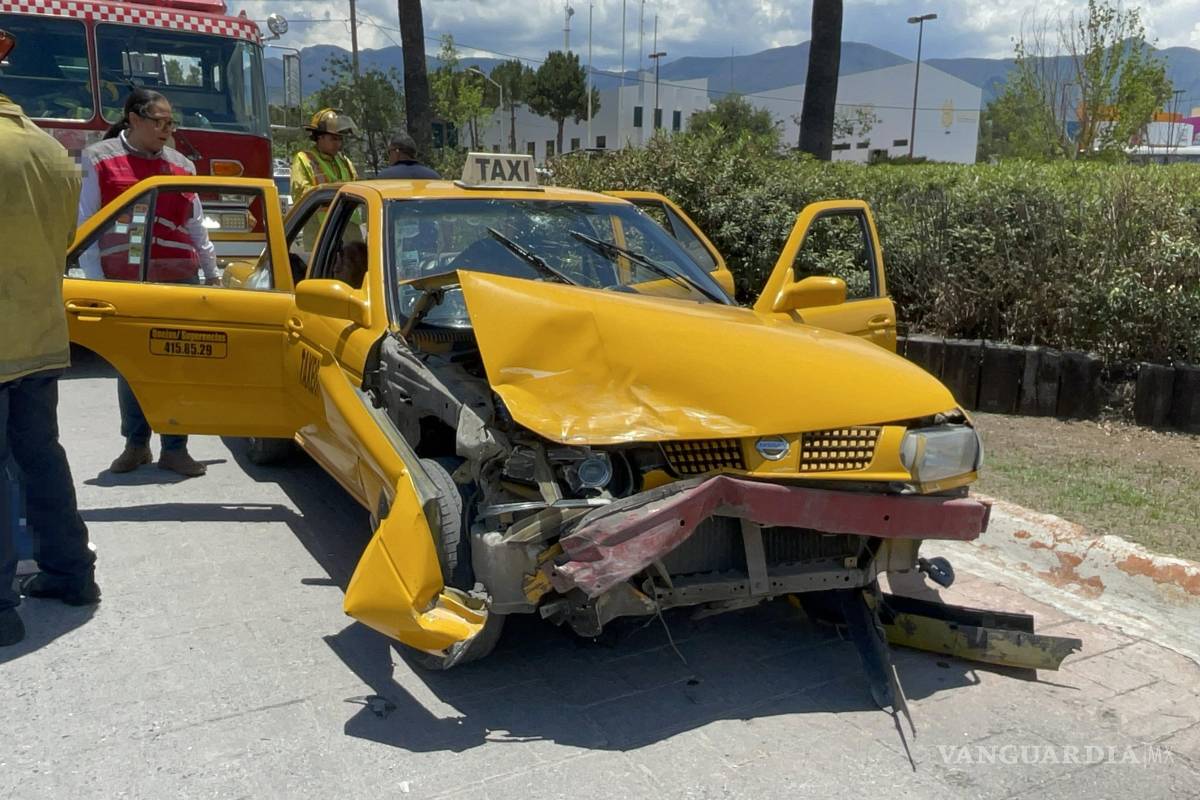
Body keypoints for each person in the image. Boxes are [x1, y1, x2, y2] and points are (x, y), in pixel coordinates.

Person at [0, 28, 100, 647]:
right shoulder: (48, 151)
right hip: (37, 336)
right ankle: (71, 573)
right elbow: (64, 243)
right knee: (41, 457)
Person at [78, 88, 217, 478]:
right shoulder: (98, 159)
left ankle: (176, 448)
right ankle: (135, 445)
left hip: (178, 282)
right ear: (133, 119)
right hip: (126, 284)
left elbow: (196, 226)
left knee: (178, 364)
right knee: (131, 367)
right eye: (159, 121)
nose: (166, 129)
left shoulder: (182, 166)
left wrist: (213, 275)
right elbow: (86, 225)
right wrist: (98, 287)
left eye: (171, 122)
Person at [290, 108, 358, 204]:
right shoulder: (303, 159)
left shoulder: (344, 161)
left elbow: (359, 189)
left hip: (349, 219)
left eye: (340, 139)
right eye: (334, 139)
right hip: (323, 219)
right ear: (319, 137)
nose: (338, 144)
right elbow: (300, 196)